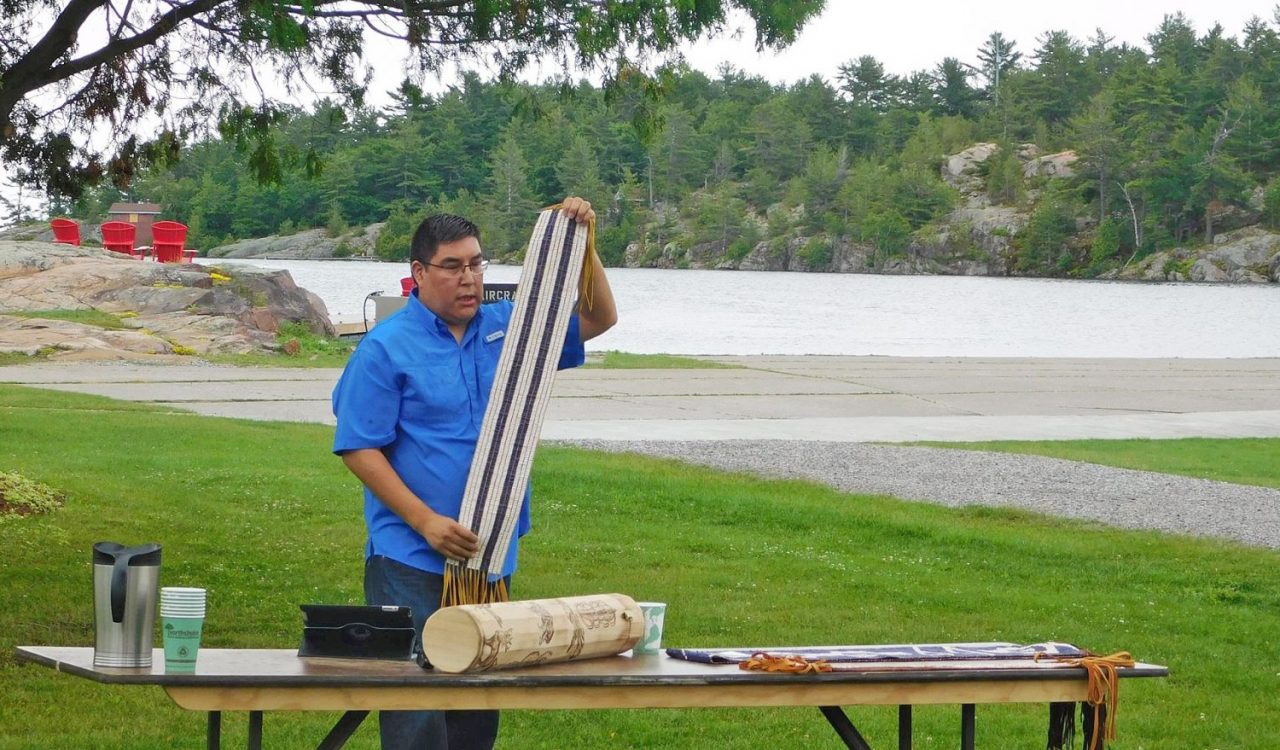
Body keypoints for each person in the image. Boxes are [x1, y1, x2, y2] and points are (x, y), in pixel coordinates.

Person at [331, 197, 616, 750]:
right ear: (418, 274)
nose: (470, 279)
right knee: (417, 705)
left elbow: (600, 318)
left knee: (478, 698)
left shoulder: (512, 328)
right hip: (410, 556)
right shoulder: (386, 347)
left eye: (477, 264)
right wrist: (425, 522)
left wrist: (584, 242)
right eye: (454, 267)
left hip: (489, 552)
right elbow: (359, 448)